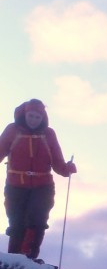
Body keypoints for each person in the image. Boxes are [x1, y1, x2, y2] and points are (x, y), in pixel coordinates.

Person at [0, 99, 77, 259]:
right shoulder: (12, 130)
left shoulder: (49, 134)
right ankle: (14, 259)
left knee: (37, 221)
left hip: (43, 186)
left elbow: (56, 159)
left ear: (43, 118)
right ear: (24, 114)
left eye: (37, 117)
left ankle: (30, 258)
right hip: (15, 186)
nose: (34, 119)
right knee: (17, 223)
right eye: (31, 115)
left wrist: (65, 169)